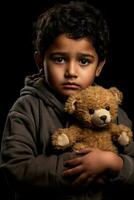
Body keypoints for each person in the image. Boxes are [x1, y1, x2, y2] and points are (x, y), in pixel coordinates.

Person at [0, 1, 134, 200]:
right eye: (59, 59)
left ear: (99, 66)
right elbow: (16, 168)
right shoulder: (27, 108)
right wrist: (81, 164)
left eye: (84, 61)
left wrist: (113, 164)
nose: (71, 72)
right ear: (40, 62)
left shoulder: (113, 113)